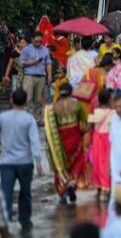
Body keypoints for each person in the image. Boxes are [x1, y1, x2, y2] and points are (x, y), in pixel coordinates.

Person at [0, 89, 42, 230]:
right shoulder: (29, 119)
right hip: (25, 161)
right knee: (25, 192)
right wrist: (38, 161)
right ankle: (25, 220)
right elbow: (34, 141)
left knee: (6, 192)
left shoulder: (3, 117)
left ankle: (5, 220)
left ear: (11, 100)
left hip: (7, 162)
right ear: (25, 102)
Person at [19, 32, 51, 124]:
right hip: (29, 76)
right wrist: (33, 62)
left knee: (38, 99)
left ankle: (37, 119)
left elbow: (48, 63)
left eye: (40, 41)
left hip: (41, 77)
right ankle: (27, 119)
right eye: (36, 41)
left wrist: (49, 75)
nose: (38, 43)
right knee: (27, 98)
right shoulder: (26, 49)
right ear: (32, 40)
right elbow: (21, 62)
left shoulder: (45, 49)